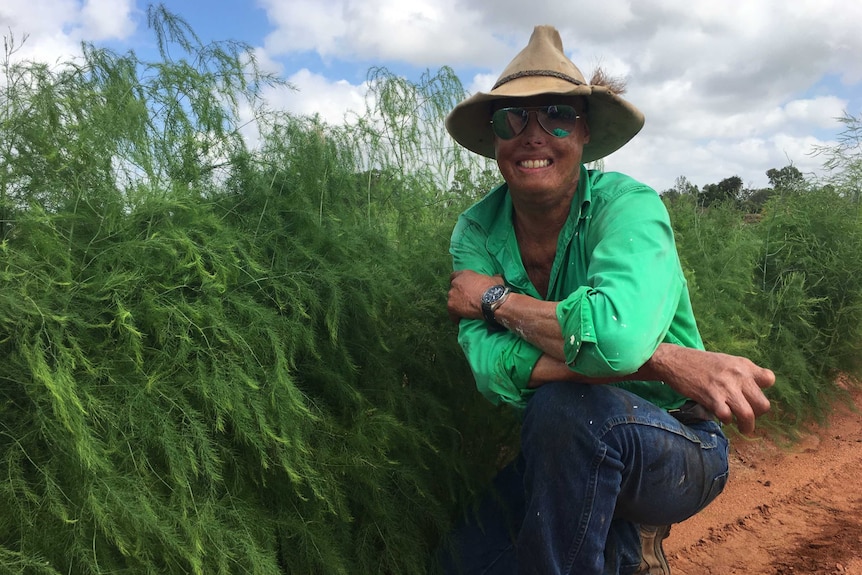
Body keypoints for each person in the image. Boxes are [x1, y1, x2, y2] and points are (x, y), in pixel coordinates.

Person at [441, 25, 775, 575]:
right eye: (512, 118)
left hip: (678, 440)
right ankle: (622, 548)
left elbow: (614, 338)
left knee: (564, 411)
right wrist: (668, 361)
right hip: (561, 449)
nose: (533, 134)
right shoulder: (476, 230)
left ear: (584, 132)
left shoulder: (629, 208)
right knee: (460, 560)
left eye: (556, 114)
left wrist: (495, 300)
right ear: (495, 137)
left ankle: (631, 535)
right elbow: (489, 368)